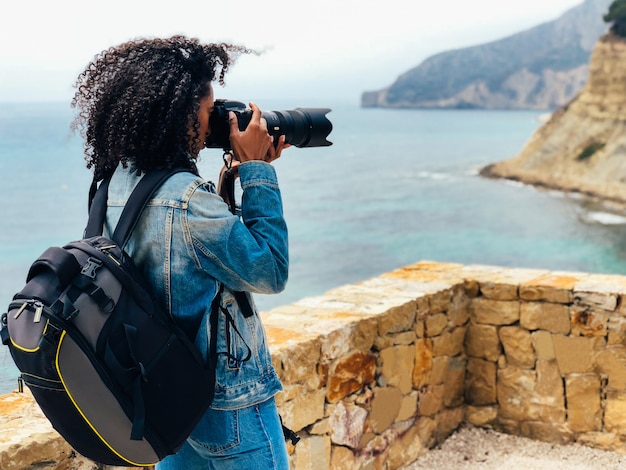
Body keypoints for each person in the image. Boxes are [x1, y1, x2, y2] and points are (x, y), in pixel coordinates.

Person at [71, 35, 291, 469]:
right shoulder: (188, 201)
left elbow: (185, 262)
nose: (213, 127)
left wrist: (228, 185)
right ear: (177, 117)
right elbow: (269, 270)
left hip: (163, 401)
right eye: (209, 114)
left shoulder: (112, 184)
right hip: (226, 405)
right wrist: (259, 173)